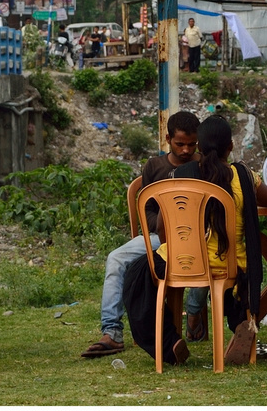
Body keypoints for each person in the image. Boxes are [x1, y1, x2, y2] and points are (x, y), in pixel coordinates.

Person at [121, 116, 267, 366]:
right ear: (231, 146)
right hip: (233, 266)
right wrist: (251, 181)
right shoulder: (244, 175)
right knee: (228, 279)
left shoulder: (183, 176)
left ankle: (169, 344)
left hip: (187, 262)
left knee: (137, 275)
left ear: (198, 147)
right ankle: (240, 324)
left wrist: (172, 249)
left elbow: (162, 224)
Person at [81, 110, 202, 358]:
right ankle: (112, 332)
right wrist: (162, 226)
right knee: (116, 258)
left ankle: (194, 315)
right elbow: (145, 208)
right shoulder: (154, 167)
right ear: (168, 138)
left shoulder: (203, 165)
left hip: (197, 237)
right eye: (180, 144)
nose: (186, 150)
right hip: (159, 238)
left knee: (209, 255)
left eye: (192, 145)